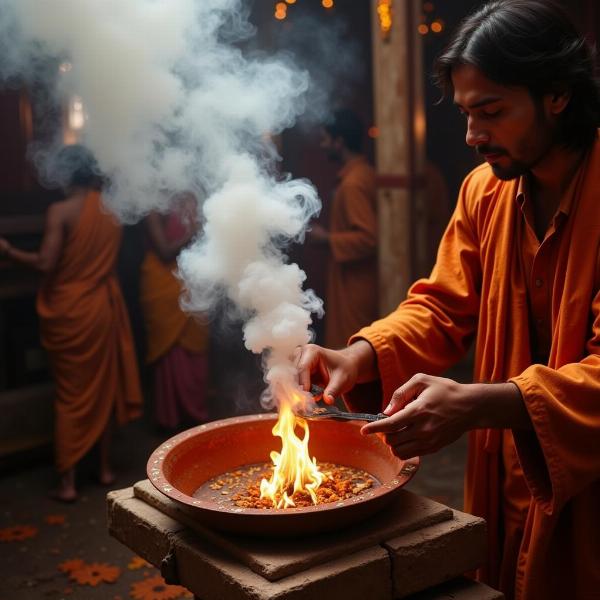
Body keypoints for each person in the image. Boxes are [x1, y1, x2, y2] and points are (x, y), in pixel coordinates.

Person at [296, 2, 600, 599]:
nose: (472, 136)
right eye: (465, 114)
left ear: (557, 94)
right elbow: (440, 306)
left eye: (491, 112)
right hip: (507, 468)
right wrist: (358, 355)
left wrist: (482, 403)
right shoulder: (485, 190)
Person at [0, 145, 143, 502]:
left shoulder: (61, 211)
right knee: (103, 390)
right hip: (102, 305)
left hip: (71, 308)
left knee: (70, 397)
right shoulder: (112, 210)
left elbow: (46, 263)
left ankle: (68, 483)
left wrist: (7, 252)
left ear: (65, 175)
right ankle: (105, 468)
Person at [307, 108, 378, 349]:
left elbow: (368, 238)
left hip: (355, 288)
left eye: (327, 139)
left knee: (353, 351)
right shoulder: (362, 174)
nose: (323, 145)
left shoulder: (354, 183)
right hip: (352, 283)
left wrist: (325, 238)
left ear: (340, 142)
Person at [139, 193, 209, 431]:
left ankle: (195, 415)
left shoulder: (191, 197)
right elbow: (165, 251)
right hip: (163, 282)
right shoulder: (154, 207)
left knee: (195, 351)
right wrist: (194, 231)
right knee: (169, 351)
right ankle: (169, 419)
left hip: (192, 281)